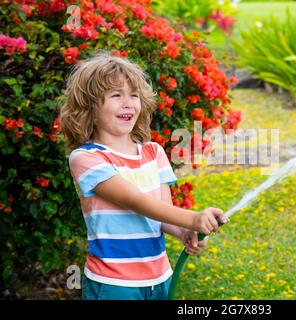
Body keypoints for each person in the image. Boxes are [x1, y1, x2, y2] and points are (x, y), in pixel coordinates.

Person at [59, 52, 228, 300]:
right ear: (90, 107)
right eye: (116, 95)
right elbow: (135, 201)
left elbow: (161, 211)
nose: (128, 103)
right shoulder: (86, 158)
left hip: (160, 278)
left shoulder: (153, 153)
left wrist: (184, 232)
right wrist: (192, 218)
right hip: (114, 283)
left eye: (134, 96)